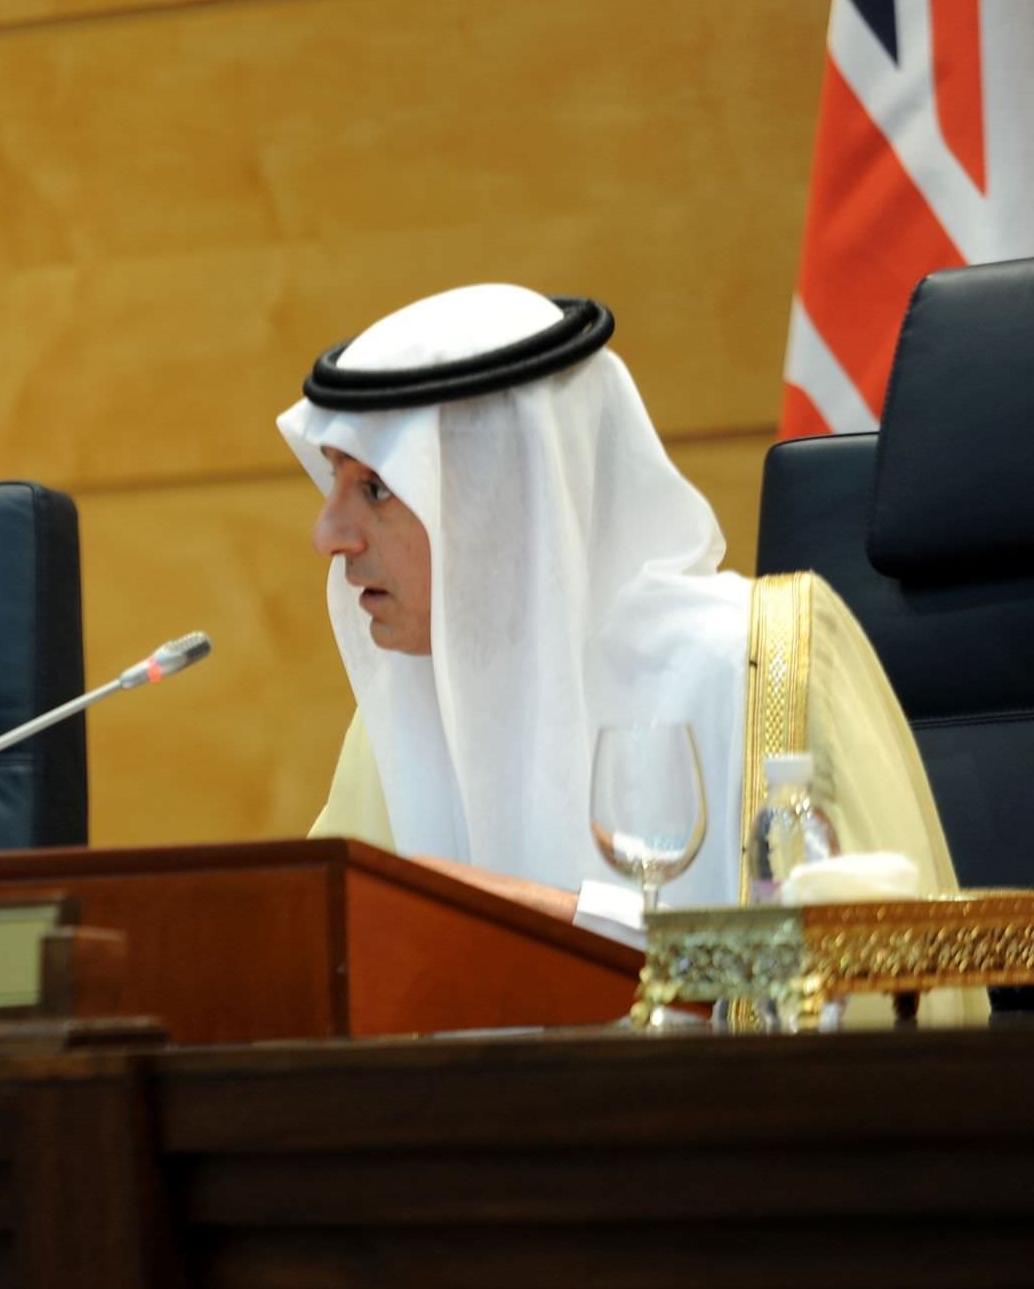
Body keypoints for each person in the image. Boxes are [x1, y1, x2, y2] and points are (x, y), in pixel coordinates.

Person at [278, 284, 977, 1021]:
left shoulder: (760, 659)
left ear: (500, 490)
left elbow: (871, 1000)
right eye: (337, 482)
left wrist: (566, 925)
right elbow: (314, 976)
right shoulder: (403, 704)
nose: (330, 534)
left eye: (377, 488)